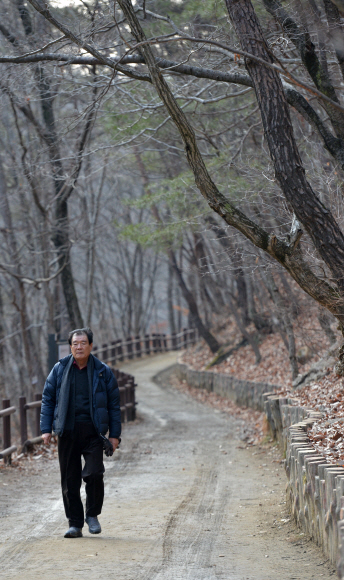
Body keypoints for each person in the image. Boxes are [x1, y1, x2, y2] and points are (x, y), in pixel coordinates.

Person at [40, 327, 121, 538]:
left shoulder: (102, 371)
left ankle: (92, 514)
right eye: (75, 343)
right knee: (70, 479)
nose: (79, 347)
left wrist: (114, 435)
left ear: (91, 346)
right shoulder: (60, 368)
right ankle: (74, 523)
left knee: (94, 473)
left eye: (83, 343)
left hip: (94, 432)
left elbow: (113, 404)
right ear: (70, 346)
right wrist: (46, 429)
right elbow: (48, 398)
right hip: (67, 431)